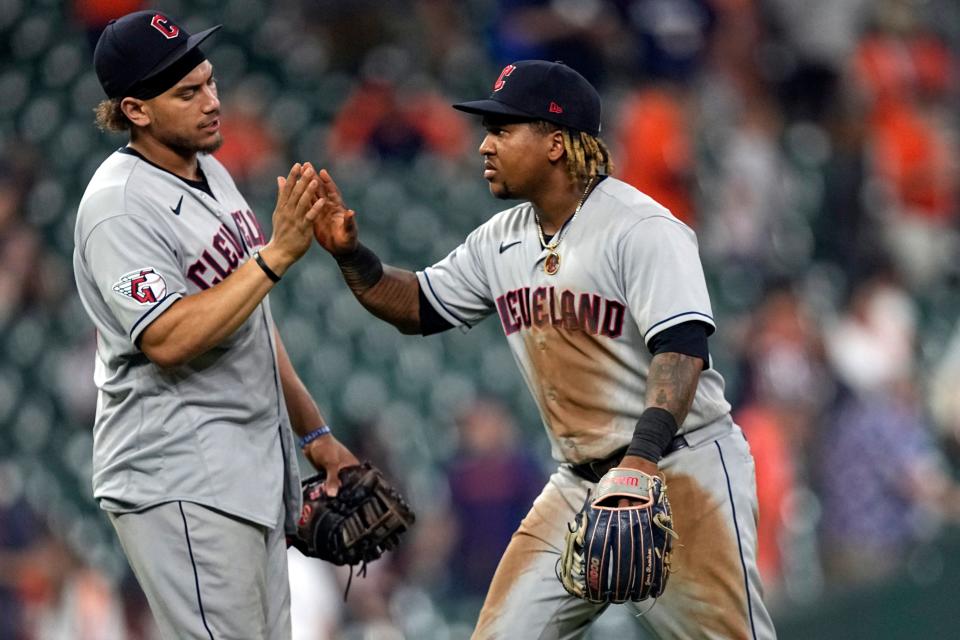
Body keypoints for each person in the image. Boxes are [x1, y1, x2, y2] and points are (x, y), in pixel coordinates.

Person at [312, 60, 776, 638]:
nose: (484, 146)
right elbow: (418, 306)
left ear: (556, 143)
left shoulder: (641, 228)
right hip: (578, 482)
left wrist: (638, 463)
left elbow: (681, 352)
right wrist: (351, 257)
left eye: (503, 131)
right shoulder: (499, 239)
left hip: (677, 467)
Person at [72, 11, 359, 639]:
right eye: (188, 93)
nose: (212, 103)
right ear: (136, 110)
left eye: (210, 82)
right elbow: (167, 338)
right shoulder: (117, 207)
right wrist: (276, 255)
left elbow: (251, 315)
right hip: (177, 473)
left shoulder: (213, 174)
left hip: (244, 465)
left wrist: (317, 435)